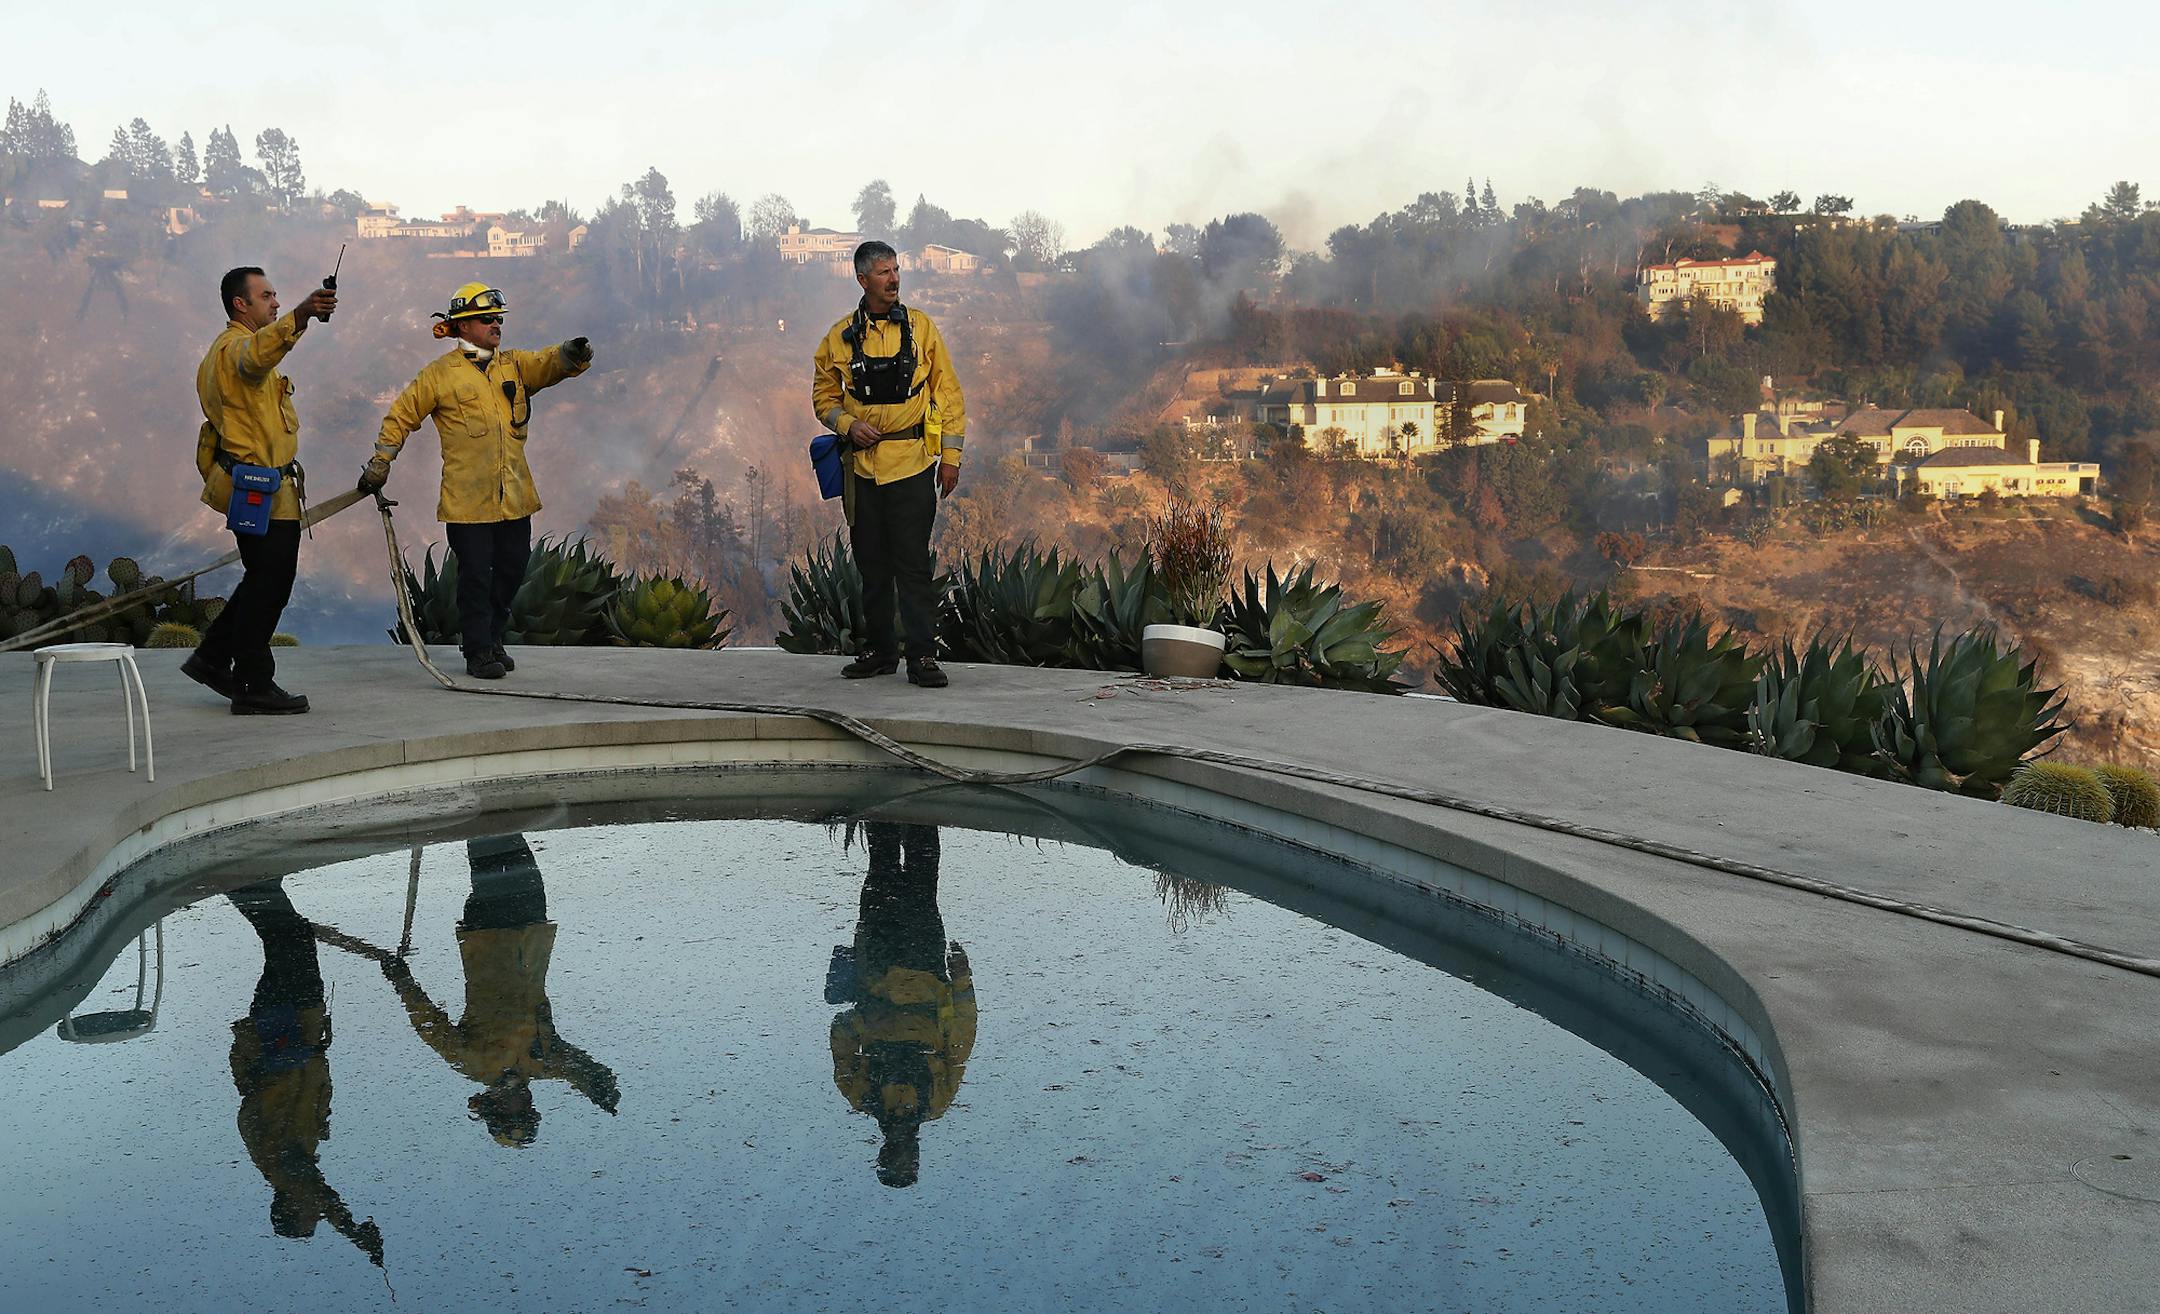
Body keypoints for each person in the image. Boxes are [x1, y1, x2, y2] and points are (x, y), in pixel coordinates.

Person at [361, 284, 593, 679]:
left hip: (514, 496)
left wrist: (570, 353)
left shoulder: (514, 366)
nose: (496, 325)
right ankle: (478, 651)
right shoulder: (439, 375)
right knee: (475, 576)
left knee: (511, 569)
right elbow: (401, 416)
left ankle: (492, 638)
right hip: (468, 502)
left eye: (499, 318)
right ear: (463, 326)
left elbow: (547, 363)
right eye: (488, 319)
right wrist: (381, 461)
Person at [372, 834, 619, 1146]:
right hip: (531, 931)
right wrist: (599, 1087)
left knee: (485, 844)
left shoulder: (474, 1063)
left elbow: (430, 1025)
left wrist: (402, 982)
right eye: (528, 1109)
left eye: (516, 1110)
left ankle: (474, 806)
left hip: (487, 934)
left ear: (494, 1107)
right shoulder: (544, 1063)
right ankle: (496, 801)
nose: (524, 1102)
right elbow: (578, 1069)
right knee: (517, 848)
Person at [811, 242, 968, 688]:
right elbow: (823, 396)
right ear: (863, 280)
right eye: (883, 272)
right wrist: (847, 424)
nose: (894, 279)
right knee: (872, 567)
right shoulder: (839, 337)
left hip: (913, 465)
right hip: (862, 471)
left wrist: (951, 459)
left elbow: (949, 394)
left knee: (913, 566)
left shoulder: (922, 329)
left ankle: (922, 657)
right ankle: (880, 653)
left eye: (896, 270)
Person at [182, 267, 337, 714]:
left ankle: (212, 659)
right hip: (258, 490)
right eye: (266, 295)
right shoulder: (235, 351)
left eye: (277, 296)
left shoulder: (228, 351)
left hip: (263, 489)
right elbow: (257, 355)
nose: (274, 302)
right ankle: (252, 683)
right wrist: (303, 314)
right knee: (270, 584)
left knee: (262, 581)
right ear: (240, 304)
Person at [226, 881, 385, 1266]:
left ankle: (244, 885)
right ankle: (256, 885)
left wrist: (351, 1230)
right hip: (301, 1028)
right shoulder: (292, 1158)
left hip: (284, 1029)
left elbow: (317, 1190)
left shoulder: (279, 1164)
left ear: (291, 1205)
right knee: (290, 939)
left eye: (309, 1216)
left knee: (290, 939)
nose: (317, 1211)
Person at [828, 821, 975, 1187]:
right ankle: (921, 811)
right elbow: (961, 1037)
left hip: (876, 963)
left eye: (893, 1159)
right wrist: (962, 979)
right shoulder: (935, 1101)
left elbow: (840, 1037)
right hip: (925, 963)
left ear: (881, 1153)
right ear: (916, 1157)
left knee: (882, 866)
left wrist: (864, 1021)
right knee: (923, 874)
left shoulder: (862, 1096)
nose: (901, 1153)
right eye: (907, 1161)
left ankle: (885, 808)